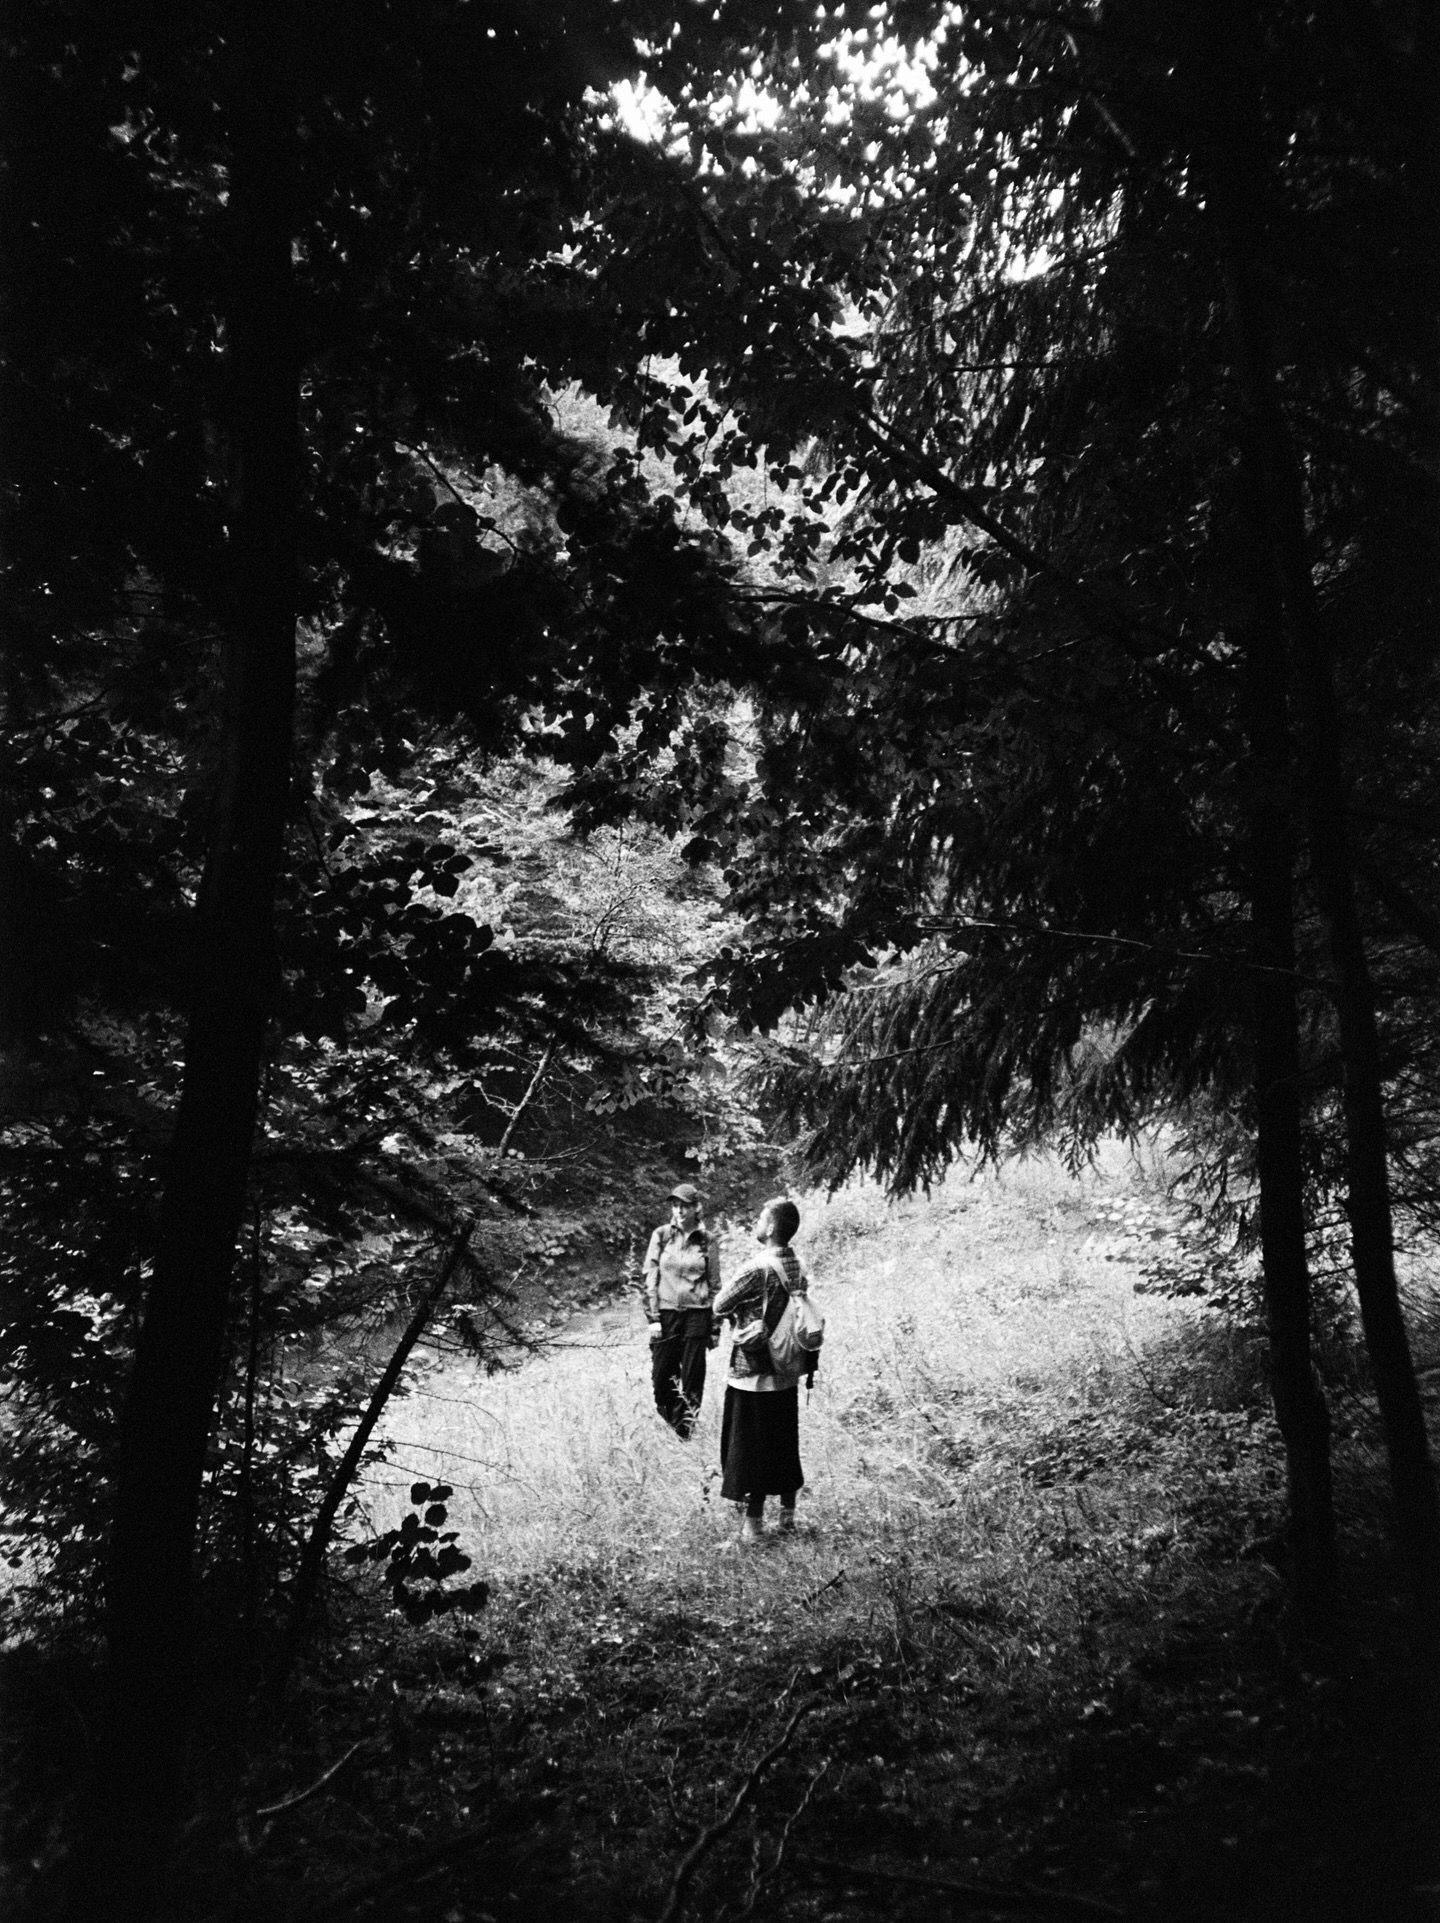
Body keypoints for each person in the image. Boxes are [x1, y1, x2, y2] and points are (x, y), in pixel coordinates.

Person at [712, 1196, 816, 1546]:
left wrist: (741, 1317)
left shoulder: (757, 1268)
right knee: (784, 1444)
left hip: (754, 1371)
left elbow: (719, 1304)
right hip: (787, 1368)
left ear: (770, 1227)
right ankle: (788, 1518)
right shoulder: (797, 1264)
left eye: (760, 1217)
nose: (757, 1222)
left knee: (750, 1450)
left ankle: (753, 1528)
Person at [643, 1182, 721, 1439]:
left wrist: (715, 1327)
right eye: (675, 1206)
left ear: (696, 1208)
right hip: (666, 1315)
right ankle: (673, 1421)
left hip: (697, 1315)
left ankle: (684, 1433)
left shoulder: (707, 1240)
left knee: (692, 1378)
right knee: (661, 1378)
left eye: (684, 1206)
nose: (679, 1210)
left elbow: (715, 1285)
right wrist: (653, 1318)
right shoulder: (662, 1235)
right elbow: (649, 1276)